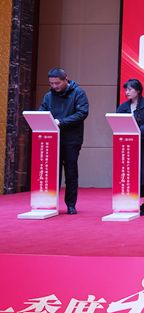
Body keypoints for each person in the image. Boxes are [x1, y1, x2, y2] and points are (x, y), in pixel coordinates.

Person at [39, 67, 89, 215]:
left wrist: (61, 122)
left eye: (57, 83)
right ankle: (50, 203)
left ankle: (71, 204)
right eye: (51, 83)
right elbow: (42, 112)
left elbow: (82, 113)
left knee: (71, 172)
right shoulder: (48, 96)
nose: (54, 86)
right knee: (52, 172)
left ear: (65, 79)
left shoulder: (78, 93)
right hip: (52, 139)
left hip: (72, 139)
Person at [117, 79, 144, 215]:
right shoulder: (123, 107)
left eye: (130, 89)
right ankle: (129, 201)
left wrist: (136, 134)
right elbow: (118, 121)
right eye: (126, 89)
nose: (127, 92)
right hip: (128, 147)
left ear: (138, 90)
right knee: (129, 173)